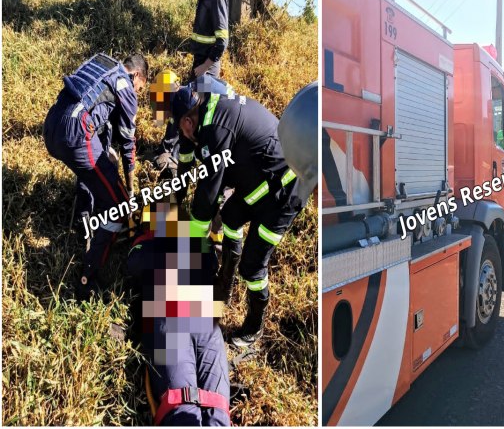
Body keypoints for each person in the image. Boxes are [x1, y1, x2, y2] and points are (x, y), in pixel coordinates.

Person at [171, 87, 307, 347]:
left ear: (188, 122)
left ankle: (254, 326)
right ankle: (225, 284)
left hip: (285, 190)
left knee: (253, 267)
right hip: (258, 180)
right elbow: (187, 161)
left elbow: (208, 193)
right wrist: (176, 205)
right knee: (230, 217)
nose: (183, 135)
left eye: (181, 129)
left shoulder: (215, 130)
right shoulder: (203, 109)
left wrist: (193, 246)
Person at [43, 53, 148, 299]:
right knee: (120, 206)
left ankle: (84, 222)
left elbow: (94, 111)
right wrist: (129, 192)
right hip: (76, 133)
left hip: (52, 128)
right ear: (137, 76)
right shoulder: (125, 84)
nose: (137, 94)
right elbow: (128, 144)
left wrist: (106, 152)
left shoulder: (102, 65)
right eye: (140, 89)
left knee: (92, 171)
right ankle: (87, 280)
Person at [127, 200, 230, 426]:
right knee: (187, 410)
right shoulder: (151, 246)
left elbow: (135, 263)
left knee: (214, 409)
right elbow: (135, 264)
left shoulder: (186, 245)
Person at [190, 0, 229, 79]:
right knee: (190, 98)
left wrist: (205, 67)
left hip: (207, 69)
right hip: (199, 62)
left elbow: (222, 41)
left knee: (202, 99)